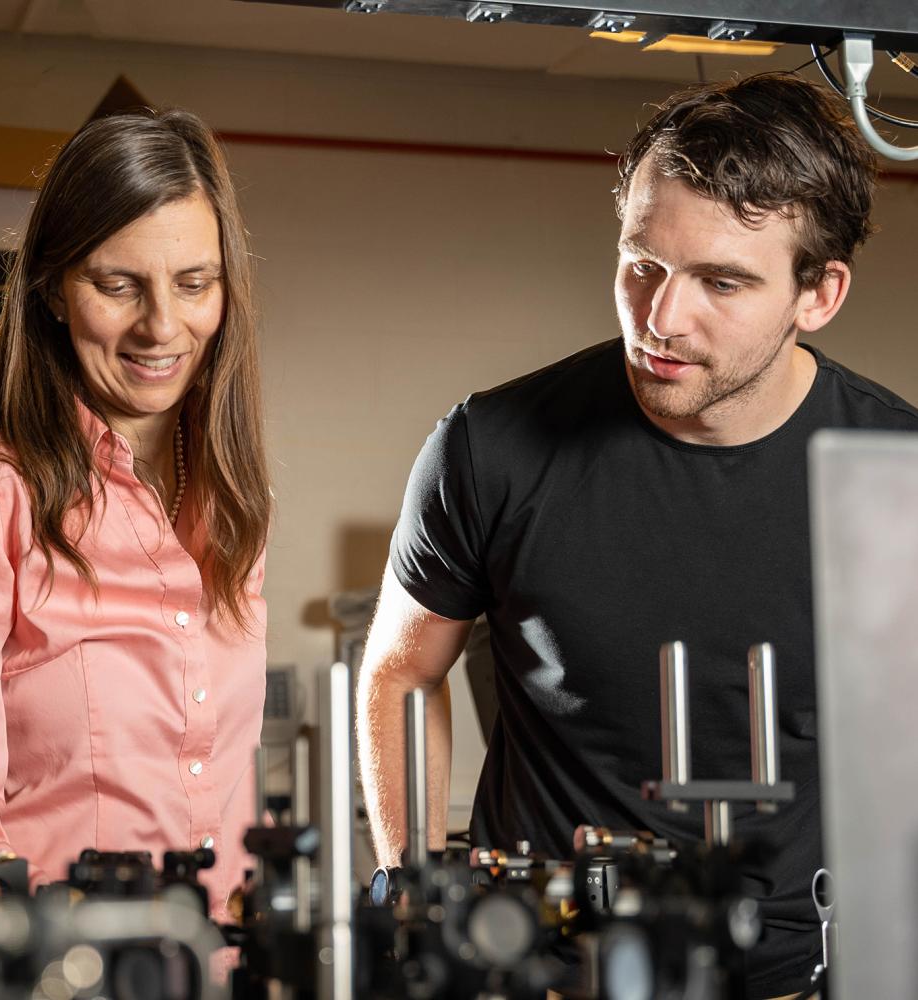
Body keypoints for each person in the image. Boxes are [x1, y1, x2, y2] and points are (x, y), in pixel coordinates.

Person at [357, 72, 918, 998]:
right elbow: (403, 672)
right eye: (643, 264)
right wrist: (418, 898)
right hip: (544, 968)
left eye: (721, 282)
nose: (660, 318)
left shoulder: (894, 473)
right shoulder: (492, 446)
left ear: (818, 294)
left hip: (798, 975)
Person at [0, 108, 271, 922]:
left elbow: (229, 794)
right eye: (119, 285)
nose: (162, 326)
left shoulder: (230, 499)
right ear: (50, 287)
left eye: (194, 284)